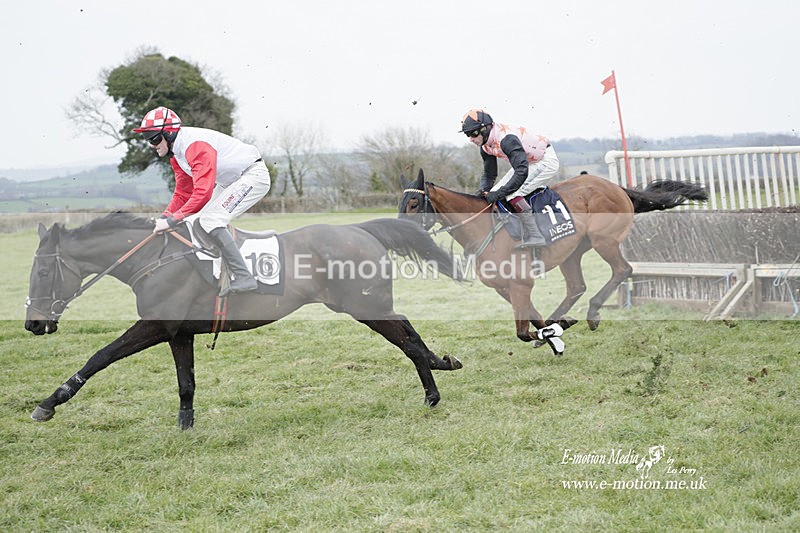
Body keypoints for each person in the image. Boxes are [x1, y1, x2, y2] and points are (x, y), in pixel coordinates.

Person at [133, 106, 271, 296]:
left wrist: (171, 221)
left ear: (169, 133)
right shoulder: (177, 155)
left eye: (154, 138)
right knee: (191, 221)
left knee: (210, 220)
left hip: (252, 176)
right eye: (147, 139)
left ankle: (244, 276)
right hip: (230, 182)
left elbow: (202, 194)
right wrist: (164, 217)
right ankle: (216, 271)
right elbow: (183, 193)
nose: (151, 144)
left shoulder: (195, 147)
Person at [460, 108, 560, 249]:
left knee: (512, 193)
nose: (471, 139)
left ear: (485, 129)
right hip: (526, 163)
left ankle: (536, 235)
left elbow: (521, 172)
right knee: (493, 192)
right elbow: (489, 174)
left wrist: (500, 193)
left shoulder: (506, 139)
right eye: (467, 135)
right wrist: (483, 191)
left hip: (544, 160)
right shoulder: (485, 146)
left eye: (473, 133)